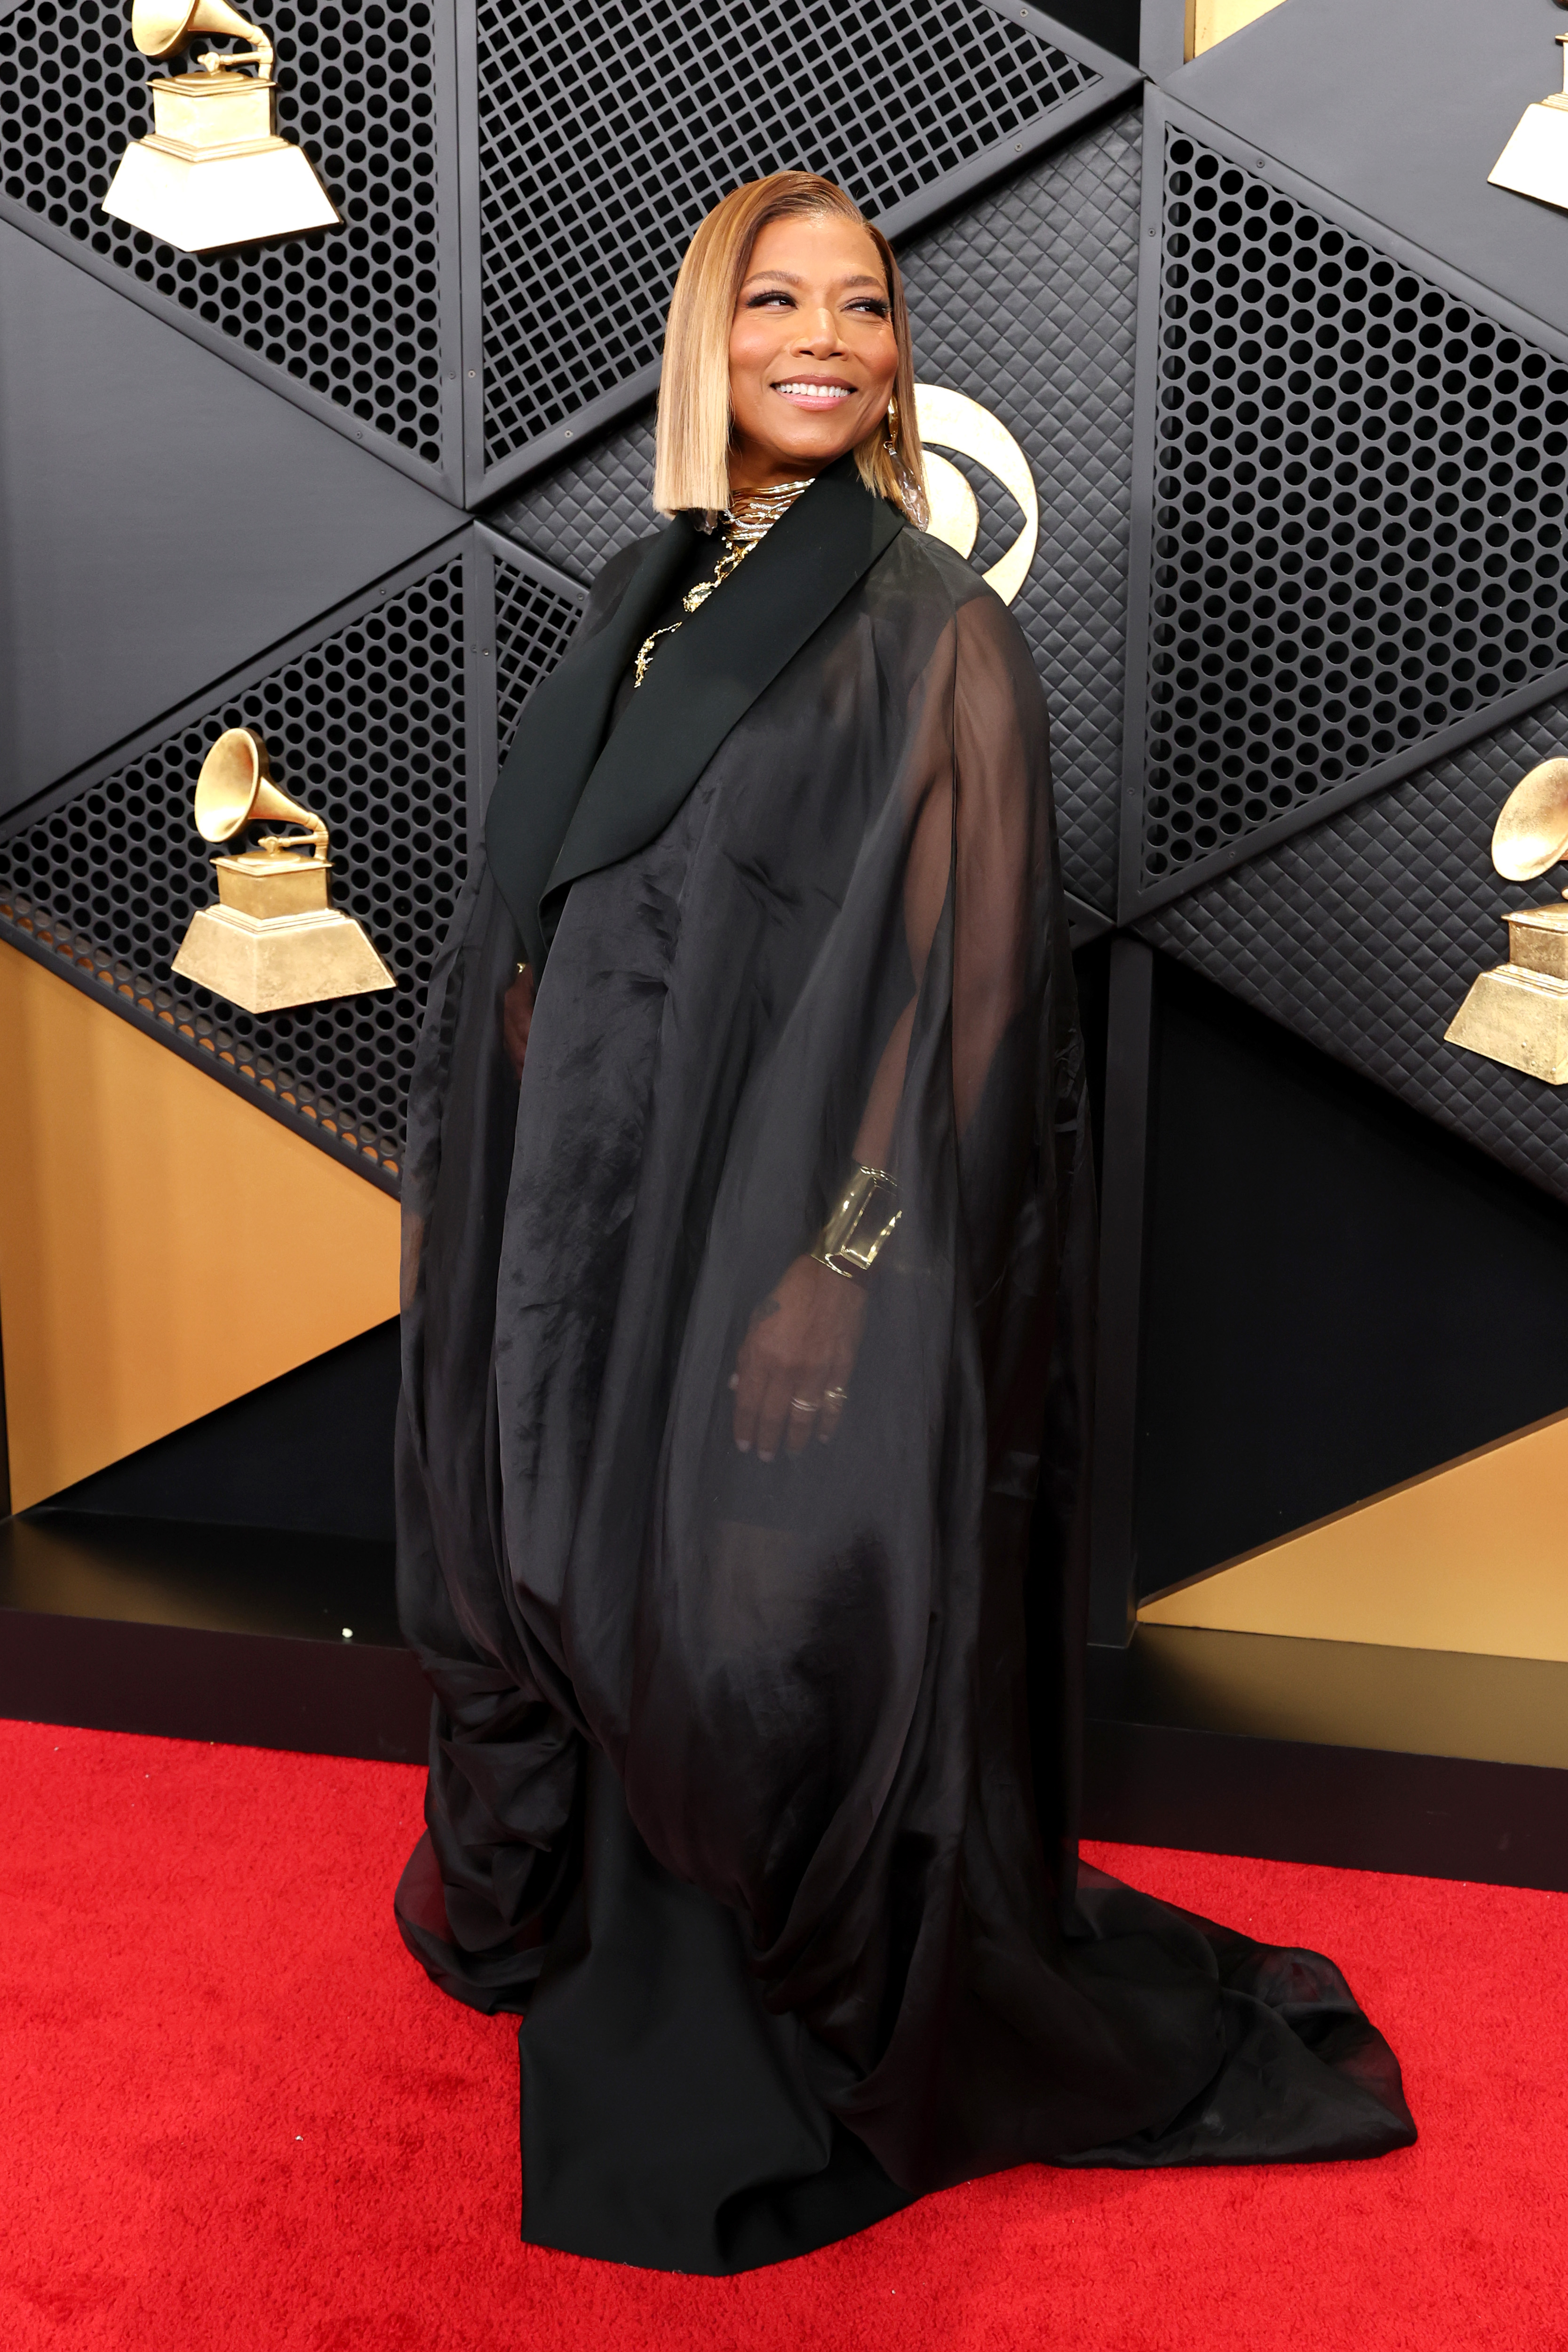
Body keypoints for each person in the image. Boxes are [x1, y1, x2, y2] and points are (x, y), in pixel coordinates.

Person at [393, 171, 1414, 2275]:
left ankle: (755, 2014)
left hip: (765, 1236)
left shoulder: (935, 630)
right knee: (551, 1571)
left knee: (727, 1619)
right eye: (778, 299)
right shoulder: (633, 587)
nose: (827, 339)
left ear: (896, 356)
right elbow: (553, 909)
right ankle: (587, 1919)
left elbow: (962, 1008)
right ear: (710, 330)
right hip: (570, 1222)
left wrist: (832, 1274)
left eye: (863, 307)